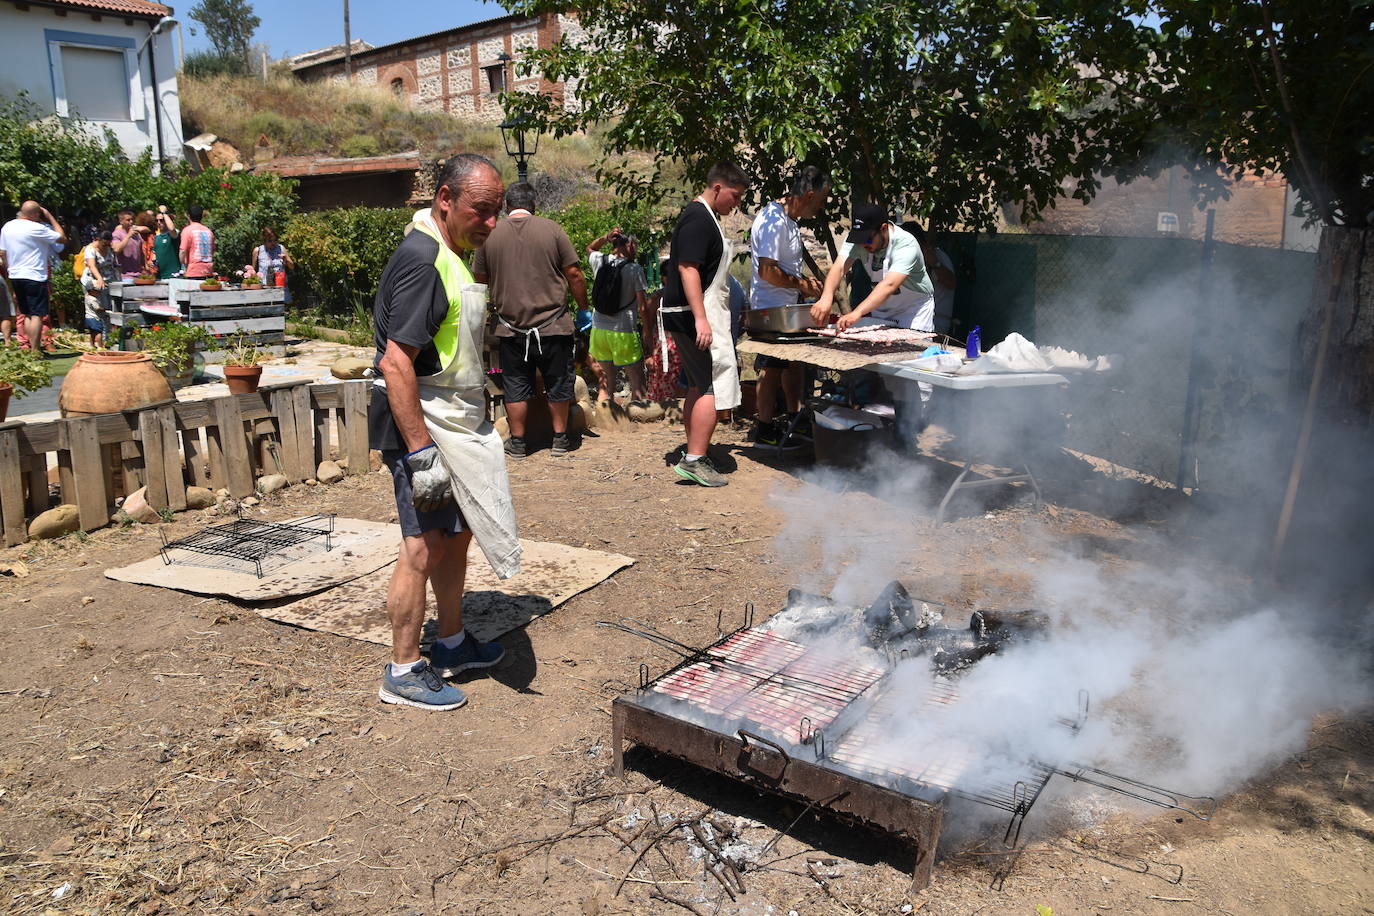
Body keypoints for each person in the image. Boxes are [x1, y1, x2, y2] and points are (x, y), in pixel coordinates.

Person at [368, 152, 516, 712]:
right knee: (422, 546)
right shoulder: (423, 259)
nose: (491, 223)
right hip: (418, 422)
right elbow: (395, 363)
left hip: (450, 417)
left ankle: (451, 642)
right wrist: (421, 452)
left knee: (458, 534)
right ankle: (403, 668)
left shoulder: (451, 254)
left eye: (497, 212)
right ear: (445, 200)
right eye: (481, 210)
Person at [472, 182, 588, 459]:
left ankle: (519, 442)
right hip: (554, 325)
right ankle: (560, 440)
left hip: (511, 329)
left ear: (507, 206)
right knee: (558, 382)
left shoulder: (490, 235)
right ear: (533, 205)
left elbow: (479, 280)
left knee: (515, 386)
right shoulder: (553, 230)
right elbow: (574, 273)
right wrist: (583, 309)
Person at [656, 162, 750, 486]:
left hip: (689, 313)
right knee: (710, 384)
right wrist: (701, 318)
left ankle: (695, 451)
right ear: (718, 188)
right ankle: (695, 460)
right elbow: (687, 269)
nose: (736, 204)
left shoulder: (704, 217)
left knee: (698, 384)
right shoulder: (698, 218)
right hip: (691, 314)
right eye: (735, 196)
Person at [749, 165, 831, 444]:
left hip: (785, 307)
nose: (819, 209)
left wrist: (802, 286)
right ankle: (764, 428)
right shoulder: (773, 220)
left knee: (793, 362)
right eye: (819, 201)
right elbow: (767, 272)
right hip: (770, 309)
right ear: (809, 195)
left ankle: (795, 418)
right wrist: (801, 285)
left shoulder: (790, 222)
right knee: (772, 367)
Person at [810, 203, 934, 333]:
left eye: (868, 239)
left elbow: (889, 285)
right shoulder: (859, 240)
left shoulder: (906, 245)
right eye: (859, 239)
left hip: (913, 312)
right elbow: (839, 267)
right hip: (881, 310)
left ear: (884, 228)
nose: (863, 244)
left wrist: (857, 312)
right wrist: (826, 297)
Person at [586, 226, 649, 407]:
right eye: (634, 245)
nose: (636, 249)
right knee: (636, 376)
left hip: (599, 329)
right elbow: (643, 307)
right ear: (628, 245)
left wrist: (605, 237)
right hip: (624, 331)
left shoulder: (600, 260)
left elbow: (589, 249)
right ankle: (638, 418)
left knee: (606, 380)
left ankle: (605, 418)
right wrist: (646, 331)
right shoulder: (635, 269)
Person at [0, 201, 67, 352]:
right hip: (35, 275)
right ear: (36, 214)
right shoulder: (37, 228)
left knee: (26, 314)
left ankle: (30, 346)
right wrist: (50, 216)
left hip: (16, 275)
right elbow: (62, 238)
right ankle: (35, 350)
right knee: (37, 314)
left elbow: (2, 252)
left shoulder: (8, 226)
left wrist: (9, 268)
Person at [901, 221, 957, 336]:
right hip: (908, 317)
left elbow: (951, 283)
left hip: (936, 320)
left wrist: (934, 263)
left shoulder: (938, 256)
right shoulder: (903, 258)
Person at [80, 231, 118, 348]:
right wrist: (99, 278)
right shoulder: (90, 249)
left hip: (109, 282)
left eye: (108, 243)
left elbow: (113, 264)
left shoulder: (110, 249)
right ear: (98, 240)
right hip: (94, 283)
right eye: (104, 243)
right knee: (98, 312)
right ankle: (99, 342)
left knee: (109, 311)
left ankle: (109, 339)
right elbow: (92, 265)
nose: (106, 246)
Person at [180, 205, 215, 280]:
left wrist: (183, 264)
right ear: (202, 216)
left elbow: (182, 251)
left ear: (189, 216)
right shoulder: (208, 231)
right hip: (208, 270)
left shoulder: (187, 230)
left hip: (193, 271)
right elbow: (212, 250)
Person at [110, 209, 145, 279]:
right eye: (128, 220)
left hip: (139, 274)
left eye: (132, 219)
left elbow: (141, 253)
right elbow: (116, 249)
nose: (131, 222)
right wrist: (128, 236)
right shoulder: (117, 234)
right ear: (121, 221)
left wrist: (144, 267)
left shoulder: (137, 234)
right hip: (125, 276)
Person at [153, 206, 182, 279]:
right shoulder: (156, 237)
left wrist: (164, 213)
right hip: (160, 277)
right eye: (157, 221)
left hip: (173, 276)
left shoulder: (174, 234)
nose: (159, 223)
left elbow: (172, 229)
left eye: (161, 220)